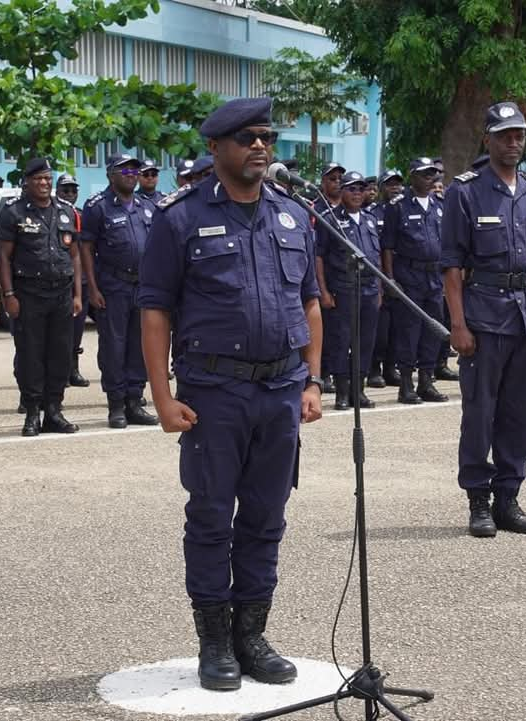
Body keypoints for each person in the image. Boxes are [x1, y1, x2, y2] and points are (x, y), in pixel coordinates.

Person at [139, 97, 323, 691]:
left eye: (266, 136)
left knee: (268, 517)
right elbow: (155, 311)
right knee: (213, 515)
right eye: (246, 138)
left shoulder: (293, 216)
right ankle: (214, 640)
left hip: (281, 388)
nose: (260, 147)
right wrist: (163, 397)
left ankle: (252, 633)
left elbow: (310, 302)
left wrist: (313, 380)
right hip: (214, 392)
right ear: (216, 148)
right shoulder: (180, 218)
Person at [441, 101, 526, 537]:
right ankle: (478, 500)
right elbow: (451, 268)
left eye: (519, 134)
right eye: (505, 134)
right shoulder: (465, 192)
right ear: (487, 139)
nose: (514, 141)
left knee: (520, 412)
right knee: (480, 412)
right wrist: (458, 324)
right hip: (484, 314)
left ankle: (509, 497)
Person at [0, 157, 83, 436]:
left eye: (47, 178)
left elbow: (75, 255)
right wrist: (8, 294)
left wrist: (78, 294)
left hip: (61, 294)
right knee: (31, 355)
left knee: (60, 354)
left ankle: (54, 411)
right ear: (27, 182)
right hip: (28, 294)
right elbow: (3, 256)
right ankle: (32, 411)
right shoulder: (14, 213)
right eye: (38, 179)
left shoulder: (66, 212)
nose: (44, 183)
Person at [80, 153, 159, 428]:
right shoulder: (97, 206)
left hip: (143, 285)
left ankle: (135, 400)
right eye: (125, 172)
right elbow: (86, 248)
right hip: (113, 285)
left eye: (135, 171)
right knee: (114, 346)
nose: (132, 176)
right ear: (111, 175)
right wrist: (92, 287)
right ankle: (116, 403)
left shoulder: (146, 206)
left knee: (140, 345)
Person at [382, 157, 449, 404]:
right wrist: (390, 279)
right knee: (409, 331)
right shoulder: (398, 206)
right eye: (424, 173)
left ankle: (426, 381)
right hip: (409, 276)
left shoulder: (439, 205)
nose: (430, 177)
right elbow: (387, 246)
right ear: (412, 176)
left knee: (433, 329)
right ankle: (406, 384)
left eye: (432, 173)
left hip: (434, 277)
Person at [315, 171, 382, 410]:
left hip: (369, 290)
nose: (357, 194)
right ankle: (342, 393)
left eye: (360, 189)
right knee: (341, 342)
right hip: (342, 290)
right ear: (342, 191)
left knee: (365, 342)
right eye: (352, 189)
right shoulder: (329, 219)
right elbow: (319, 257)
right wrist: (322, 290)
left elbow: (376, 256)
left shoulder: (371, 218)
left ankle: (358, 391)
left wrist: (380, 289)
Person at [365, 169, 403, 388]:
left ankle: (391, 367)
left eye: (398, 184)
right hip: (379, 277)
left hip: (403, 275)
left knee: (398, 328)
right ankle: (374, 369)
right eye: (389, 184)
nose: (395, 188)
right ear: (380, 188)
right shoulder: (373, 213)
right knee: (380, 330)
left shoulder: (404, 209)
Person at [55, 173, 91, 389]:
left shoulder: (81, 215)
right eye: (65, 190)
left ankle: (73, 369)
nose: (70, 194)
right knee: (59, 332)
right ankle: (60, 370)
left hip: (82, 281)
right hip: (61, 281)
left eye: (73, 190)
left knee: (77, 330)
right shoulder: (54, 214)